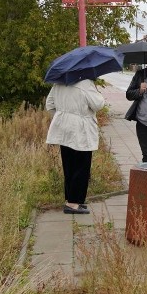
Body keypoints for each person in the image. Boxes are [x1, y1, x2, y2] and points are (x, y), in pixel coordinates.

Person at [46, 78, 106, 215]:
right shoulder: (86, 83)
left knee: (69, 165)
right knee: (81, 166)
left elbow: (49, 104)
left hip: (63, 128)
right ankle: (73, 203)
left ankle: (71, 200)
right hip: (81, 130)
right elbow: (98, 105)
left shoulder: (59, 83)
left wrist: (61, 117)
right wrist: (96, 91)